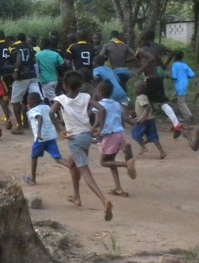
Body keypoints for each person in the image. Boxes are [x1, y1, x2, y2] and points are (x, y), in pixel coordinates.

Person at [52, 71, 114, 221]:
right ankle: (76, 197)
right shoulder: (86, 97)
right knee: (72, 164)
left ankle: (104, 200)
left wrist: (60, 130)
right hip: (86, 136)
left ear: (65, 86)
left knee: (85, 171)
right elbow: (102, 109)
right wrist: (100, 128)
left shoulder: (60, 99)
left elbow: (50, 113)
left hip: (74, 139)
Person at [135, 29, 183, 138]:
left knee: (142, 101)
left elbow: (147, 59)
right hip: (157, 77)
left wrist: (141, 69)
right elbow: (162, 61)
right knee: (161, 102)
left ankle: (143, 127)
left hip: (150, 78)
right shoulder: (154, 48)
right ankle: (176, 123)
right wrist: (164, 65)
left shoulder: (142, 49)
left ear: (142, 38)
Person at [94, 80, 136, 197]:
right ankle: (118, 188)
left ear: (99, 92)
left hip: (110, 135)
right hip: (120, 133)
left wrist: (94, 130)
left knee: (104, 162)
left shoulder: (99, 105)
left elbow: (97, 121)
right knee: (111, 162)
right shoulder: (117, 104)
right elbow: (121, 118)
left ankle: (126, 164)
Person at [22, 92, 70, 185]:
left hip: (40, 139)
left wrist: (39, 132)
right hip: (51, 136)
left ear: (31, 102)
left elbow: (40, 118)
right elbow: (54, 117)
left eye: (28, 102)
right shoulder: (47, 107)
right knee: (58, 158)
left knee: (34, 157)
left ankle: (33, 179)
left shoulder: (33, 111)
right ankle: (73, 167)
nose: (28, 104)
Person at [9, 33, 39, 134]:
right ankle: (33, 123)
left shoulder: (14, 47)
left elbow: (19, 56)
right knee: (34, 99)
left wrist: (16, 70)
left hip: (22, 76)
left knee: (15, 101)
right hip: (32, 75)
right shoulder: (29, 46)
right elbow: (34, 60)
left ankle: (20, 127)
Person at [130, 80, 167, 159]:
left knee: (135, 134)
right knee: (153, 136)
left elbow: (147, 107)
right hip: (150, 119)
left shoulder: (140, 98)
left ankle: (143, 147)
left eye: (135, 88)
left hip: (144, 120)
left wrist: (143, 118)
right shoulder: (145, 96)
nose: (134, 90)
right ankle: (162, 151)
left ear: (139, 90)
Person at [36, 37, 66, 103]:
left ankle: (58, 109)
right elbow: (63, 65)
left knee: (52, 99)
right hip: (55, 79)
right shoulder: (56, 54)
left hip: (45, 80)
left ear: (42, 45)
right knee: (48, 97)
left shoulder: (37, 55)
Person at [170, 51, 196, 124]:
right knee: (175, 100)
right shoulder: (184, 65)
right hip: (184, 84)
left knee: (181, 102)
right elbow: (192, 74)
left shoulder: (174, 65)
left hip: (179, 85)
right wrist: (184, 77)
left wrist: (168, 76)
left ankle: (188, 116)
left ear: (175, 57)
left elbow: (174, 77)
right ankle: (178, 113)